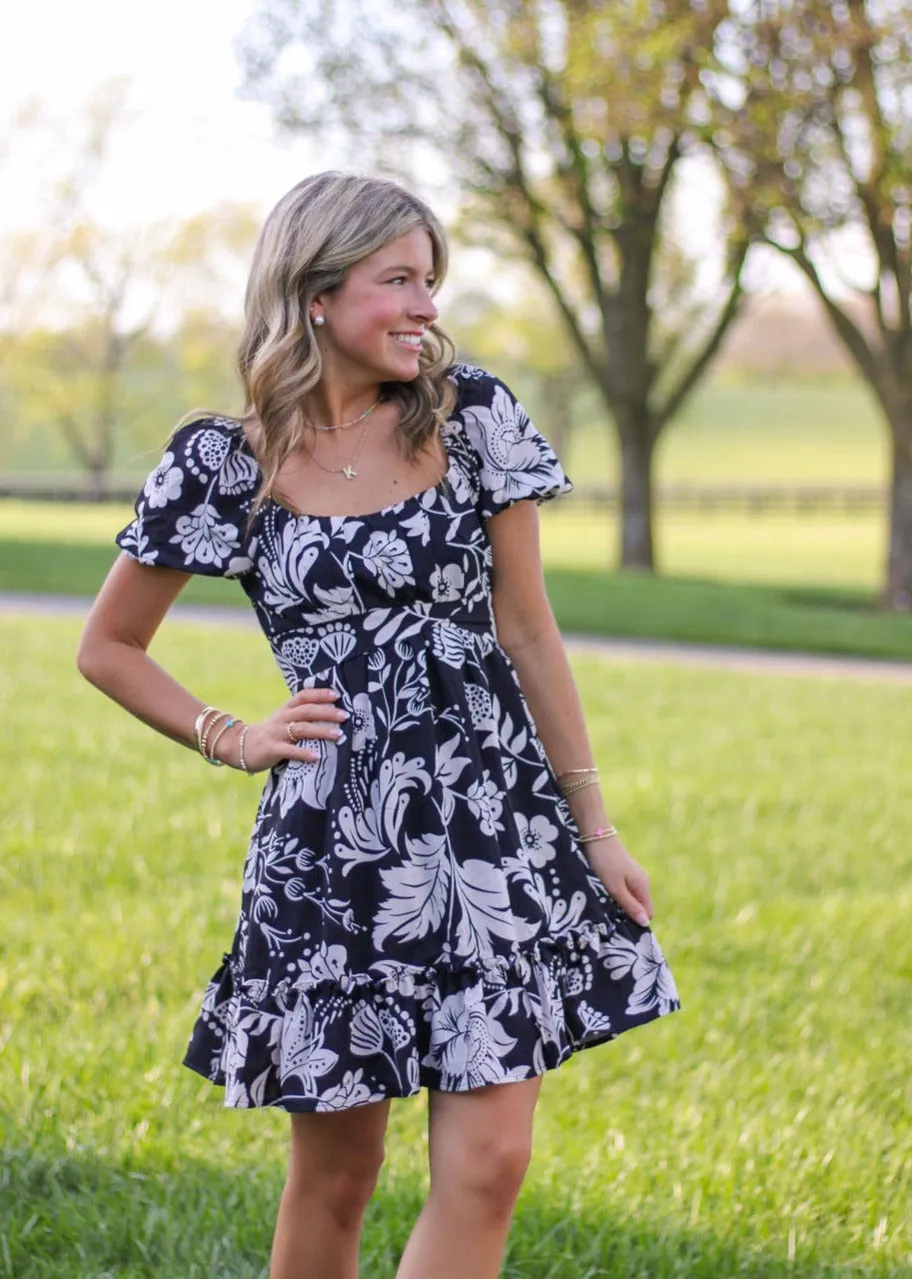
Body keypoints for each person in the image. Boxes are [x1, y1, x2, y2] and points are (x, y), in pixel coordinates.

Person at [77, 171, 679, 1279]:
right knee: (339, 1176)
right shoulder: (224, 460)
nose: (426, 306)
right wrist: (234, 733)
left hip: (497, 830)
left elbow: (531, 632)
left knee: (491, 1161)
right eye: (399, 279)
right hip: (337, 852)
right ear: (315, 292)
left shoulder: (473, 416)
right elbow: (107, 646)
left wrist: (595, 826)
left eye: (433, 280)